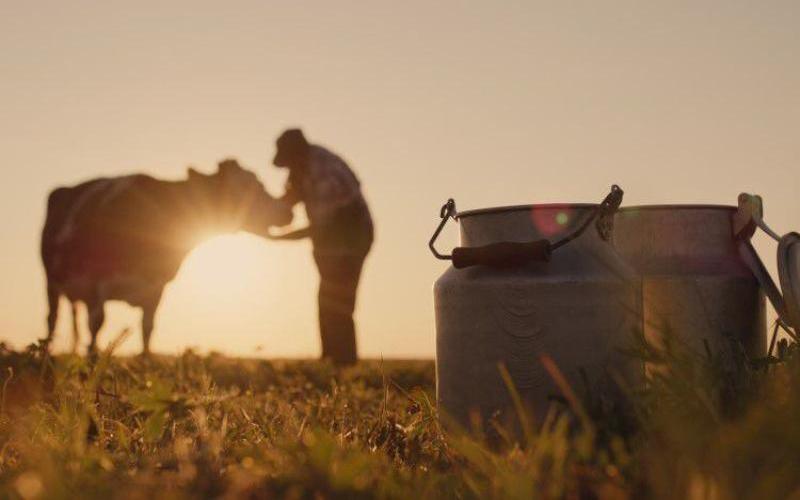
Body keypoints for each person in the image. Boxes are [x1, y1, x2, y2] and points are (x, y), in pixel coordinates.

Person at [268, 128, 373, 365]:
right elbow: (289, 200)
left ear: (296, 155)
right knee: (327, 301)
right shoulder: (302, 169)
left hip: (350, 242)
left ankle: (343, 363)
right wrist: (266, 214)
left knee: (337, 302)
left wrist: (278, 237)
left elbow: (321, 227)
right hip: (330, 243)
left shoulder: (324, 172)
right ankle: (331, 361)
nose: (287, 171)